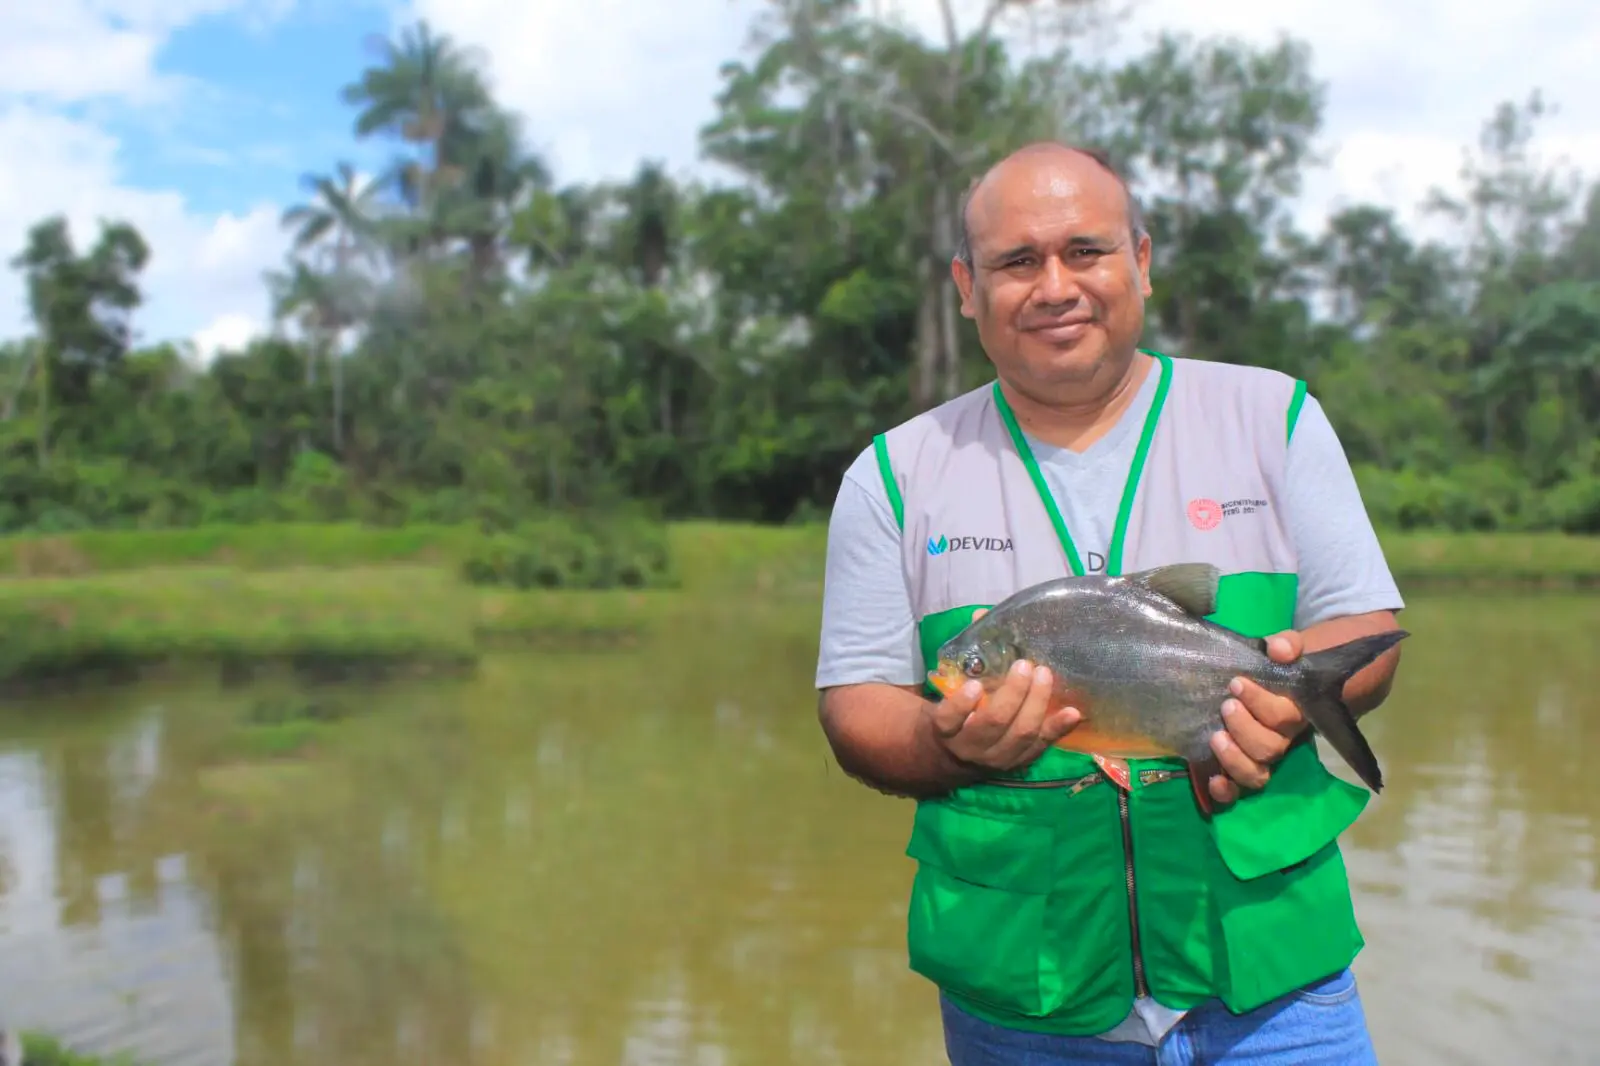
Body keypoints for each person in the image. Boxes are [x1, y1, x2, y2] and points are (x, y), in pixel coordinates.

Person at [813, 141, 1406, 1065]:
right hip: (1023, 994)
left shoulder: (1272, 416)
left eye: (1085, 250)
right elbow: (854, 706)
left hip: (1274, 977)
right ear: (967, 288)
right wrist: (943, 743)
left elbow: (1369, 630)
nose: (1055, 286)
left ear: (1142, 260)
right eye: (1017, 262)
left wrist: (1281, 713)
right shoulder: (894, 474)